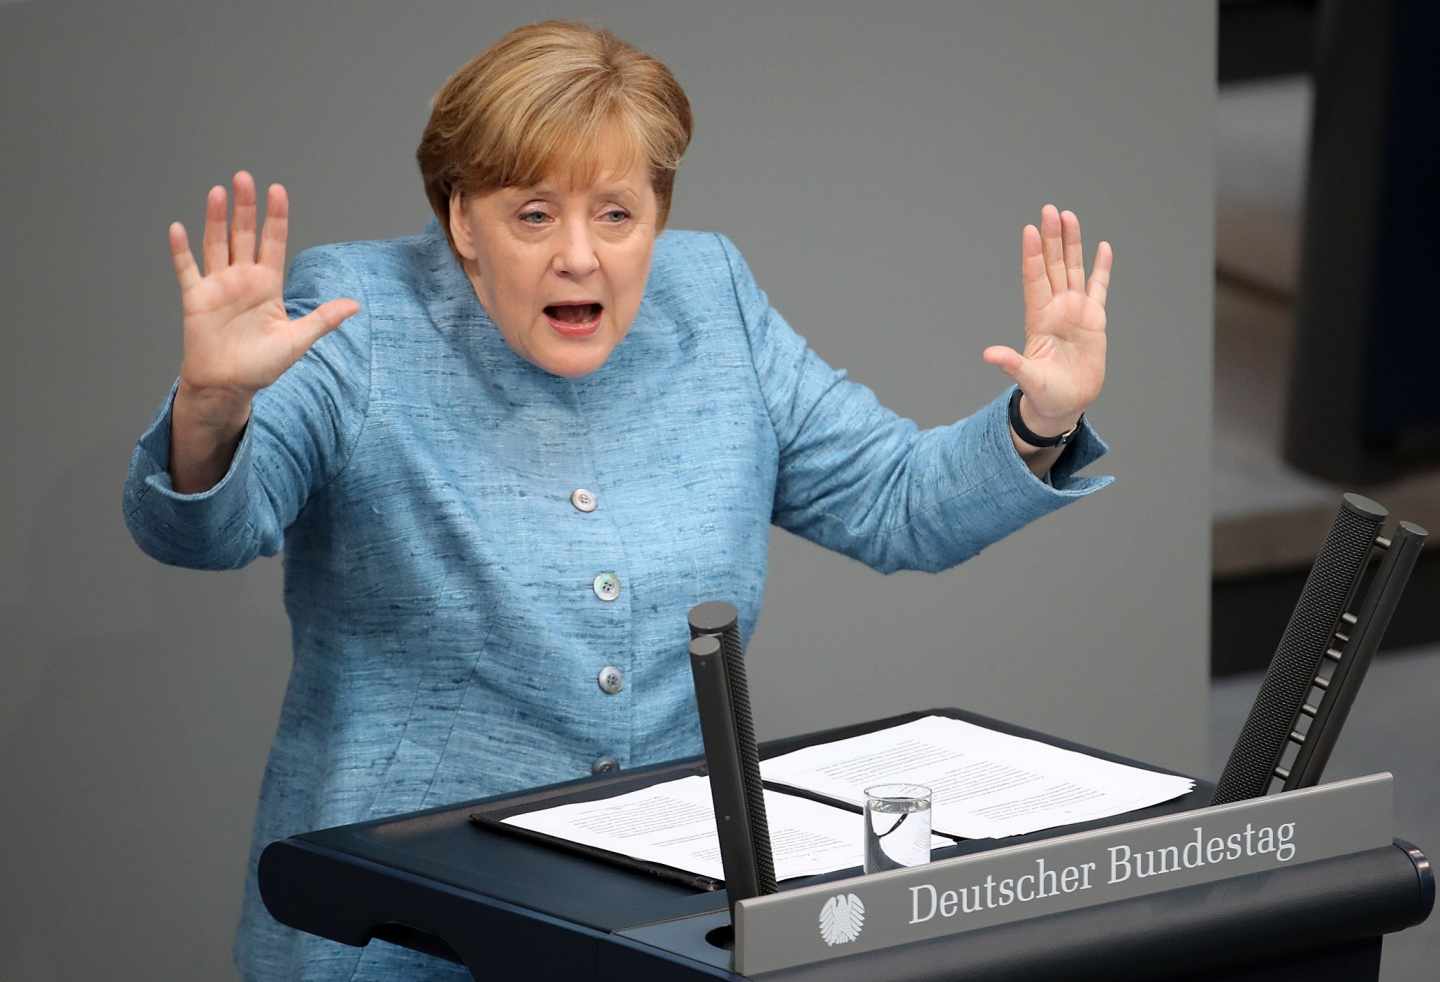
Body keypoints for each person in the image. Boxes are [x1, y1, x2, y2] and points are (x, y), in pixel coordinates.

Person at [122, 18, 1114, 982]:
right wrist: (211, 405)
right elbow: (204, 527)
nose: (580, 256)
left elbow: (898, 502)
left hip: (653, 923)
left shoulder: (714, 299)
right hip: (394, 929)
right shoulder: (356, 314)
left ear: (658, 217)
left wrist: (1038, 420)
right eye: (533, 212)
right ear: (463, 219)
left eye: (616, 212)